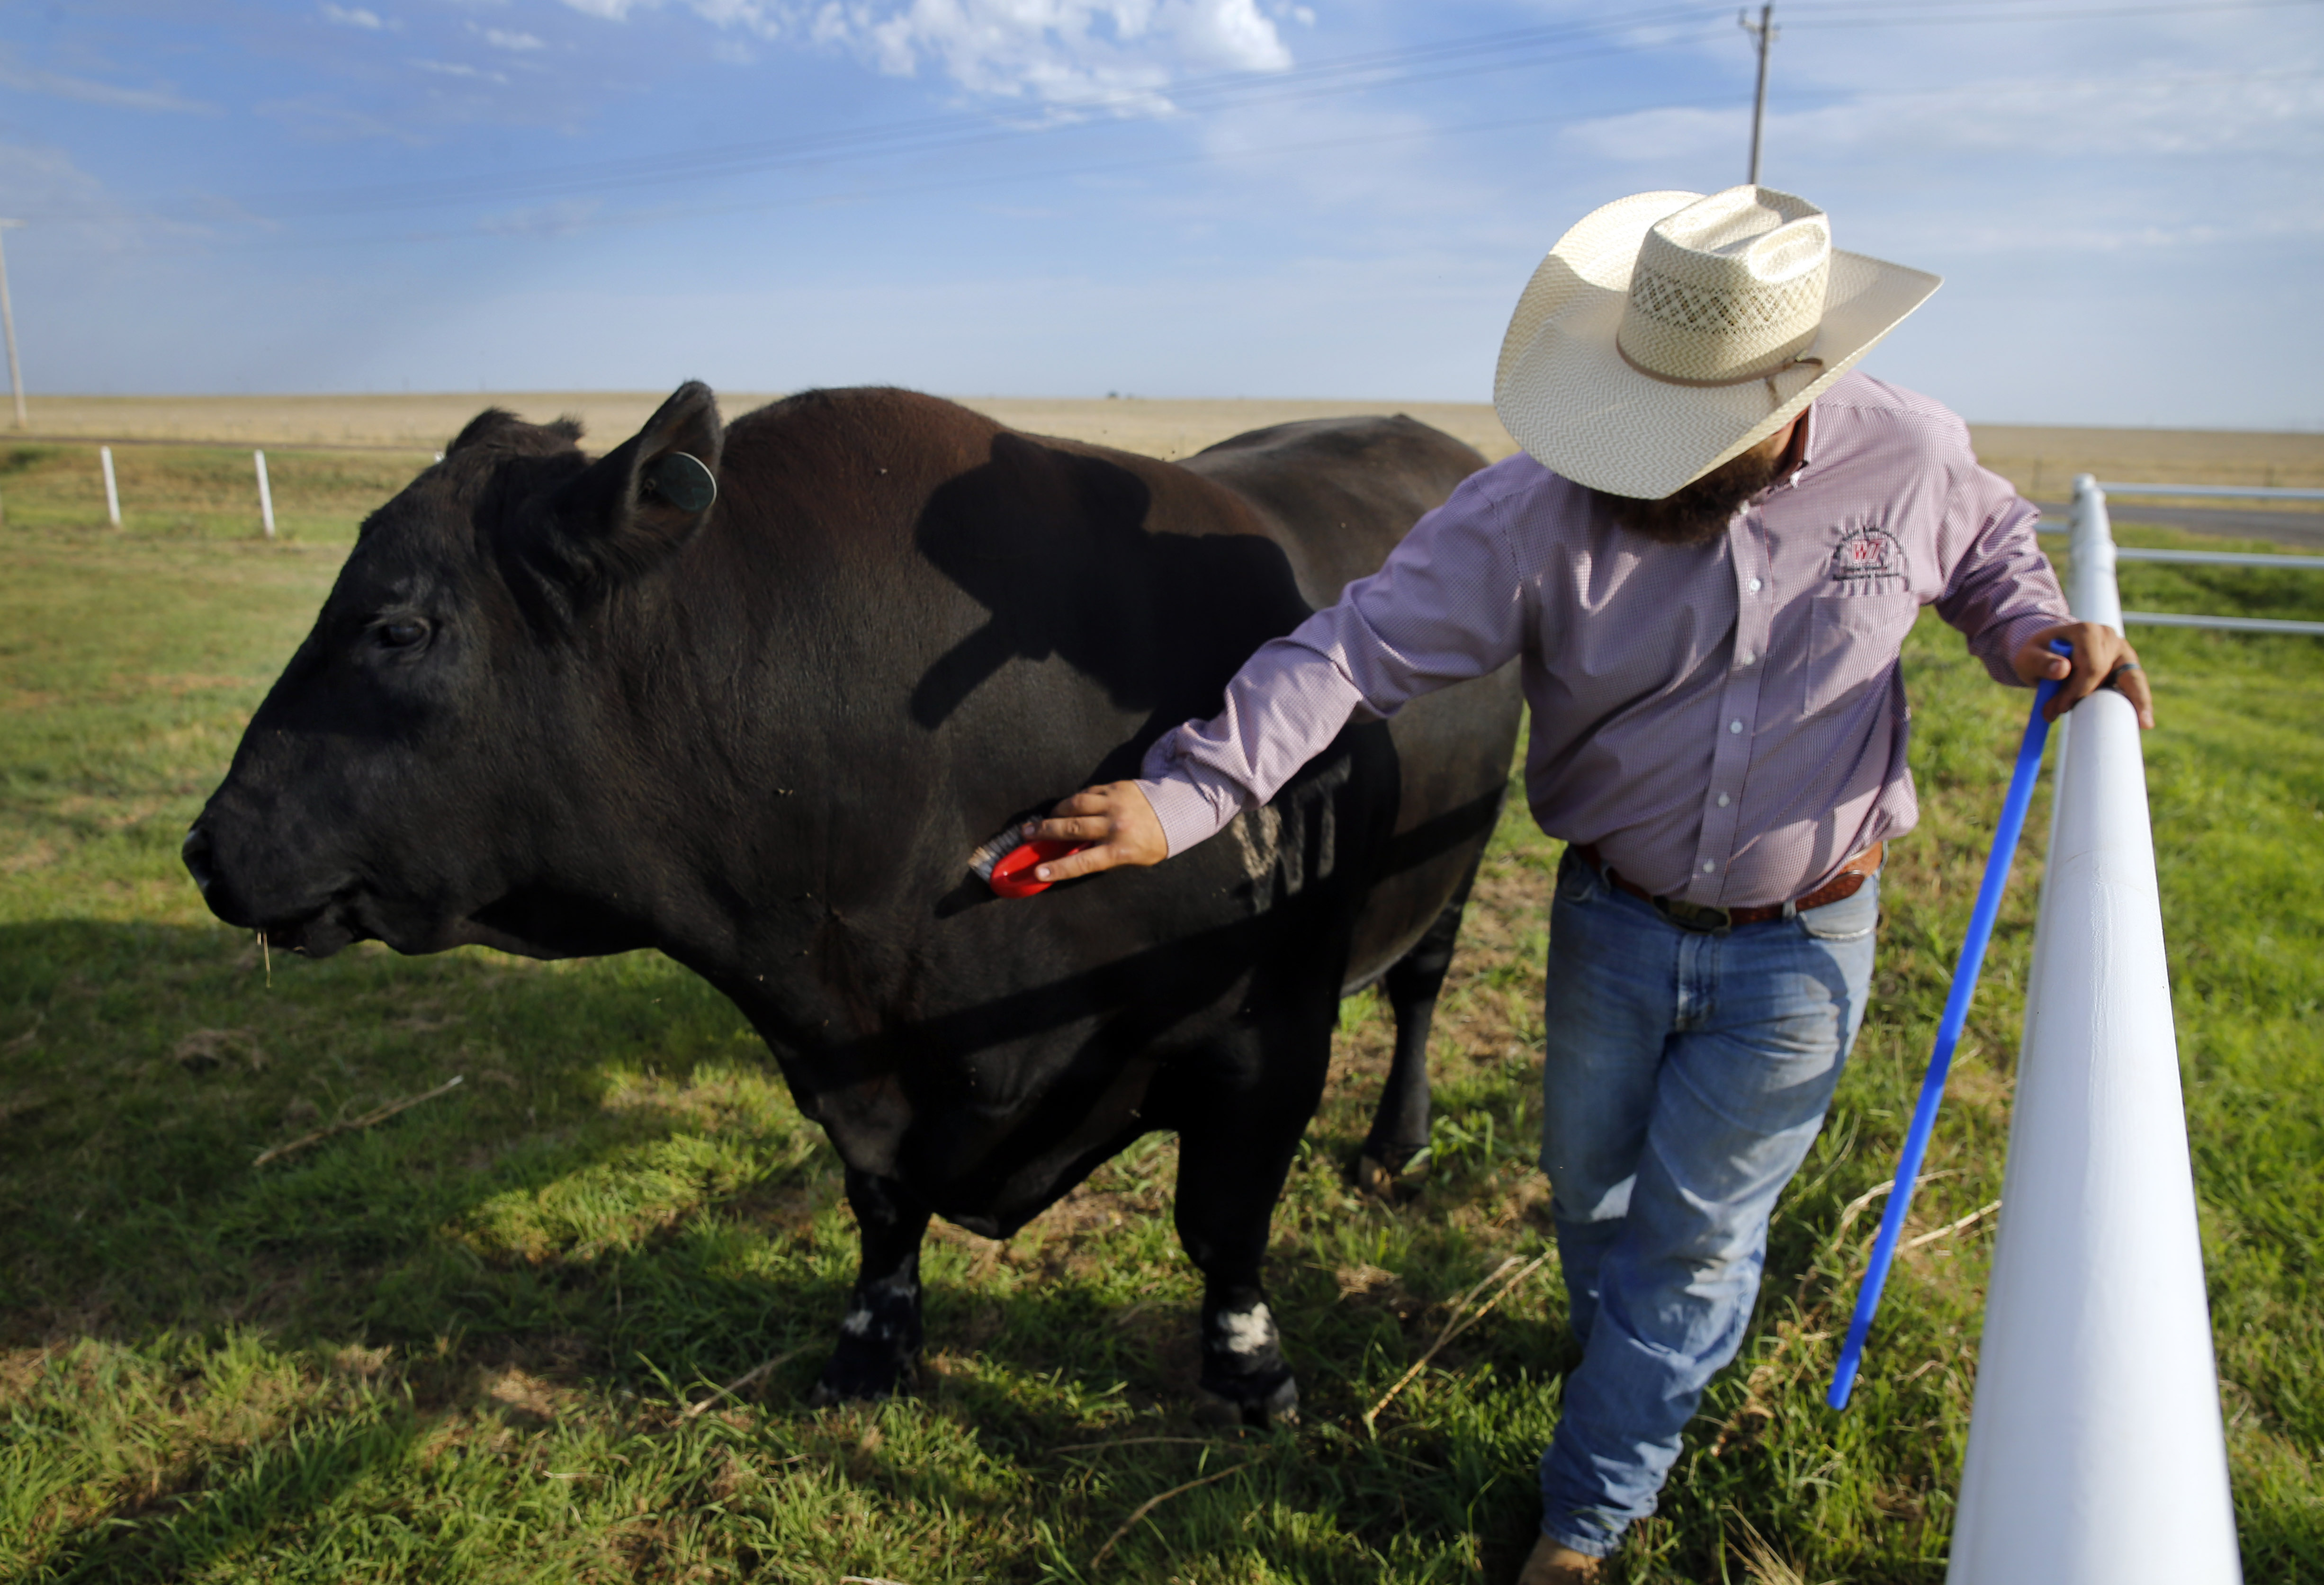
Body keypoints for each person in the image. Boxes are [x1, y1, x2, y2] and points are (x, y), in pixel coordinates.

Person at [1019, 186, 2152, 1583]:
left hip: (1801, 944)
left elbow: (1989, 553)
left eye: (1692, 438)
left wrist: (2042, 631)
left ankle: (1584, 1516)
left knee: (1691, 1242)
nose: (1652, 468)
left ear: (1793, 392)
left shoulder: (1907, 454)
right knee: (1591, 1195)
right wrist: (1184, 791)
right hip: (1611, 919)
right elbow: (1351, 652)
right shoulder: (1532, 507)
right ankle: (1635, 1358)